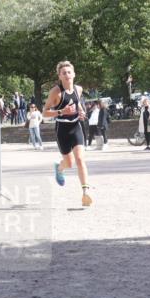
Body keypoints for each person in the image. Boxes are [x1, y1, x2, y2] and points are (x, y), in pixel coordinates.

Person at [43, 60, 93, 206]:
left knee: (80, 159)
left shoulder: (79, 89)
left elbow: (77, 104)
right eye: (63, 73)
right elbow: (44, 113)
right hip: (62, 130)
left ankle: (86, 192)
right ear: (59, 76)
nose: (67, 75)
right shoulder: (56, 92)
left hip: (76, 127)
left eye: (69, 72)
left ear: (74, 74)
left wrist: (81, 111)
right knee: (69, 163)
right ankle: (59, 168)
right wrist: (61, 111)